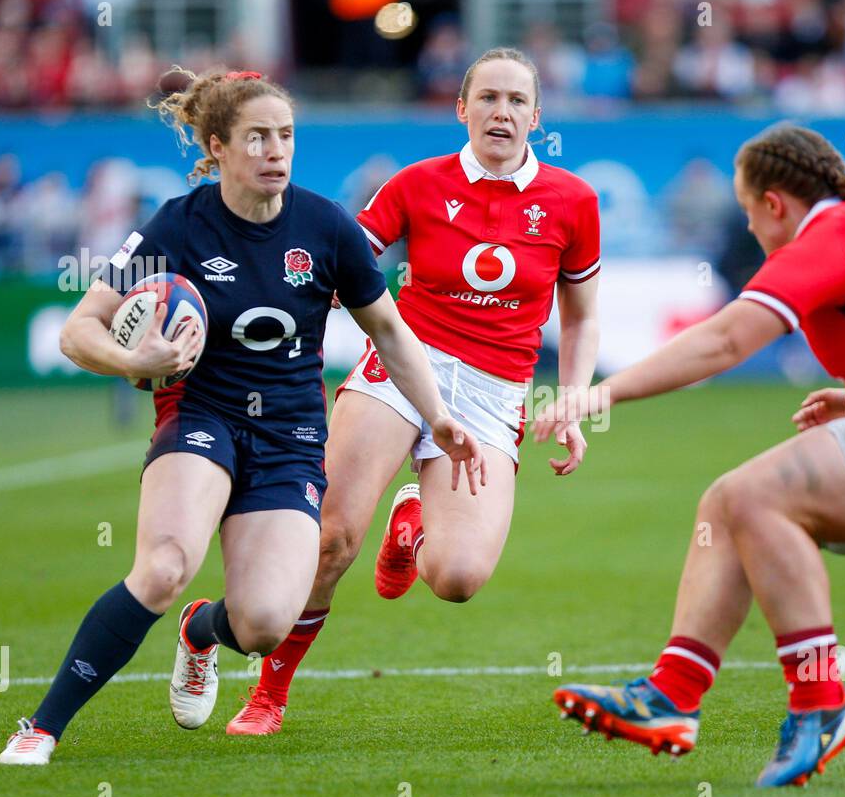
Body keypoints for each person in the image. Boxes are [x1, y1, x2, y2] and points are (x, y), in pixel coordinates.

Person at [0, 67, 482, 765]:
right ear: (218, 145)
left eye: (285, 136)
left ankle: (203, 630)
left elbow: (391, 331)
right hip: (202, 416)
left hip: (288, 436)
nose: (275, 151)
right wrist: (136, 362)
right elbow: (79, 330)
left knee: (260, 624)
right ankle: (41, 726)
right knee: (164, 567)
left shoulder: (325, 227)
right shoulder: (178, 224)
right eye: (257, 137)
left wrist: (436, 417)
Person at [534, 123, 845, 788]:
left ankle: (822, 703)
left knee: (753, 497)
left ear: (775, 203)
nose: (751, 230)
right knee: (725, 504)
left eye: (746, 212)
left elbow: (725, 342)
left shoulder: (833, 233)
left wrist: (598, 396)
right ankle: (671, 696)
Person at [225, 47, 601, 735]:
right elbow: (346, 265)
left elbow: (580, 314)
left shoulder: (574, 202)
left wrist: (574, 398)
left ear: (536, 118)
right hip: (405, 365)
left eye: (517, 101)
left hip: (494, 393)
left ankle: (412, 524)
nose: (501, 112)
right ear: (462, 108)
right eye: (487, 97)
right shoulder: (416, 184)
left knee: (458, 579)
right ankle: (269, 693)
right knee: (333, 537)